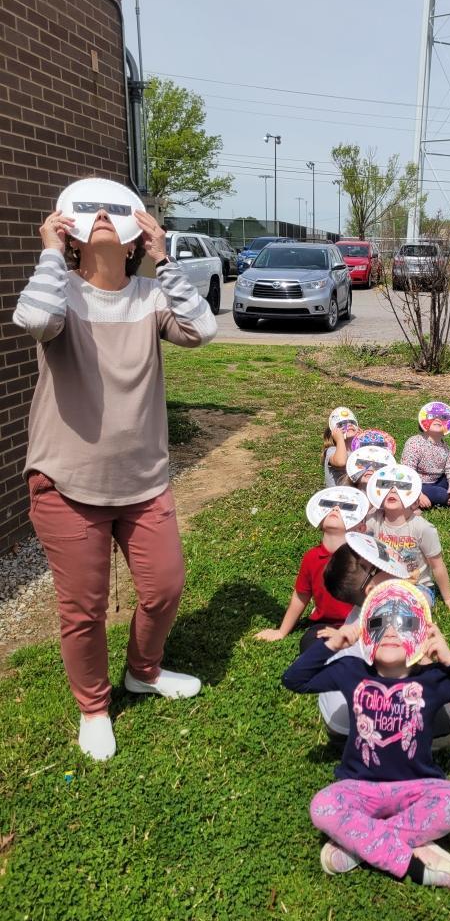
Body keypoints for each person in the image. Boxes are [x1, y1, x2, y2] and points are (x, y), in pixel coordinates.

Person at [13, 189, 217, 761]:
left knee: (165, 585)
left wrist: (164, 260)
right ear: (71, 230)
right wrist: (52, 254)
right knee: (84, 608)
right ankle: (94, 706)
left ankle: (143, 672)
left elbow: (203, 332)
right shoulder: (59, 293)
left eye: (117, 209)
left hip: (145, 479)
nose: (103, 214)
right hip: (66, 481)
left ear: (135, 233)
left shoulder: (152, 295)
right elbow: (33, 319)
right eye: (90, 210)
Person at [282, 580, 450, 890]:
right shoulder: (351, 669)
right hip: (359, 787)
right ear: (366, 632)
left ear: (421, 633)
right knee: (322, 806)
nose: (390, 631)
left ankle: (362, 841)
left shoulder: (434, 679)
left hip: (417, 787)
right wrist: (335, 643)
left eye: (404, 623)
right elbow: (294, 680)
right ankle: (414, 863)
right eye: (379, 621)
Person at [319, 536, 450, 751]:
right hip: (360, 720)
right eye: (379, 564)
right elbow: (423, 664)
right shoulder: (395, 615)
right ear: (371, 588)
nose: (390, 560)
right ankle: (426, 743)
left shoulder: (361, 613)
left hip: (335, 715)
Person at [254, 487, 368, 650]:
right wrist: (281, 631)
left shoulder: (365, 557)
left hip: (360, 624)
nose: (336, 509)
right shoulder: (311, 557)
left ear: (361, 528)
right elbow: (301, 595)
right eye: (329, 505)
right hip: (324, 625)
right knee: (309, 645)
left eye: (347, 507)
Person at [365, 465, 450, 618]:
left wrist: (449, 599)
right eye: (386, 486)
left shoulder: (423, 528)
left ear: (415, 500)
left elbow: (437, 565)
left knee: (407, 611)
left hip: (418, 586)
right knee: (365, 602)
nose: (393, 490)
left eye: (402, 487)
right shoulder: (373, 520)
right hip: (383, 580)